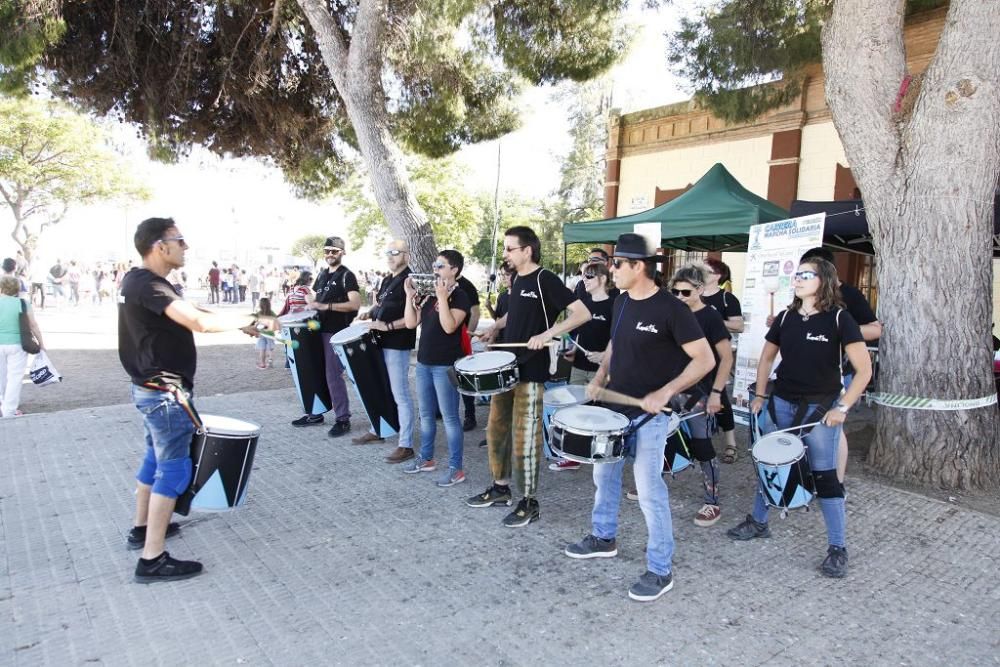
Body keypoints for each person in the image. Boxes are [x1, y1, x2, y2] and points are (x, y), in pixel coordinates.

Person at [118, 217, 272, 582]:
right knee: (174, 469)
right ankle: (152, 558)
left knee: (154, 459)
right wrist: (257, 317)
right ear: (160, 246)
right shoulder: (149, 285)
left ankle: (141, 530)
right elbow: (197, 323)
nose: (186, 247)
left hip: (152, 389)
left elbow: (196, 314)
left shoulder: (141, 282)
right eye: (180, 240)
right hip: (164, 394)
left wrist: (241, 323)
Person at [563, 233, 714, 602]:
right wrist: (599, 378)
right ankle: (603, 537)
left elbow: (705, 360)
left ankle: (660, 569)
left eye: (617, 264)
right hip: (615, 411)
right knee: (604, 475)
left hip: (652, 416)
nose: (610, 270)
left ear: (638, 267)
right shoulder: (623, 302)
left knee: (648, 490)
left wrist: (665, 392)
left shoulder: (672, 310)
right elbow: (615, 344)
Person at [726, 258, 871, 579]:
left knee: (825, 475)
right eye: (797, 274)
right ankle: (759, 521)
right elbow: (766, 358)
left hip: (820, 408)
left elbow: (864, 371)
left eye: (807, 274)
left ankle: (837, 547)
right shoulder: (786, 316)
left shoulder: (839, 319)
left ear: (825, 280)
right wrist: (761, 396)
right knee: (770, 463)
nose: (799, 279)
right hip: (780, 403)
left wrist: (842, 407)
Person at [469, 225, 591, 527]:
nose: (506, 253)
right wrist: (496, 327)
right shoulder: (519, 280)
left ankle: (529, 501)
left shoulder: (544, 278)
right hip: (507, 367)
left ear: (527, 250)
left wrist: (547, 333)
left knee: (526, 437)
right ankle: (500, 487)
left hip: (531, 371)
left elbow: (581, 314)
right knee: (496, 429)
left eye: (510, 248)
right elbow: (519, 313)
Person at [799, 247, 882, 483]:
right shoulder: (803, 295)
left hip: (838, 374)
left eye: (809, 273)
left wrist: (842, 328)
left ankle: (836, 483)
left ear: (826, 271)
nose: (802, 278)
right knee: (809, 429)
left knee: (834, 431)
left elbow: (876, 329)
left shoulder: (850, 294)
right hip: (806, 374)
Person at [668, 265, 734, 526]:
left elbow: (726, 358)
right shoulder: (672, 313)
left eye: (686, 292)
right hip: (671, 389)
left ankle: (712, 501)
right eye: (675, 292)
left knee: (702, 446)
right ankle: (658, 478)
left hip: (700, 394)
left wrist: (717, 393)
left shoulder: (711, 317)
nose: (680, 297)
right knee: (664, 438)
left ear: (699, 289)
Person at [402, 249, 471, 486]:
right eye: (434, 265)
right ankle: (426, 458)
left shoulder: (460, 296)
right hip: (424, 363)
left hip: (445, 365)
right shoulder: (429, 293)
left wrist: (442, 297)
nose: (435, 269)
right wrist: (409, 296)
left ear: (454, 270)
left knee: (451, 418)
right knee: (426, 414)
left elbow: (450, 327)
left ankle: (456, 468)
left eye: (440, 266)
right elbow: (411, 322)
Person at [353, 240, 417, 463]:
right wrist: (370, 312)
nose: (390, 256)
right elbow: (382, 303)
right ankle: (379, 428)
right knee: (380, 389)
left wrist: (386, 326)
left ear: (407, 255)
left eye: (395, 252)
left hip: (397, 343)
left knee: (400, 395)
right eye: (387, 252)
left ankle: (406, 444)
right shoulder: (389, 279)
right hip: (380, 342)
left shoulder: (411, 280)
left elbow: (413, 318)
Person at [549, 261, 614, 472]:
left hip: (602, 370)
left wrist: (605, 355)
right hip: (579, 365)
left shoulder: (615, 304)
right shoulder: (582, 302)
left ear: (602, 279)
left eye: (588, 276)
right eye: (583, 276)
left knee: (602, 413)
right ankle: (574, 456)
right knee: (574, 410)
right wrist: (572, 350)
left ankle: (602, 457)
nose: (583, 280)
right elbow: (576, 332)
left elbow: (619, 338)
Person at [300, 236, 360, 437]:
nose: (330, 255)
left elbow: (355, 304)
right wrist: (310, 302)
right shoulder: (323, 274)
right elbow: (317, 299)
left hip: (336, 332)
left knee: (333, 376)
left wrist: (327, 306)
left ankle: (343, 419)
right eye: (327, 251)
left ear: (342, 252)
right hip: (318, 330)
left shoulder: (347, 275)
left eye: (334, 251)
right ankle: (316, 413)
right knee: (314, 372)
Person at [0, 276, 44, 417]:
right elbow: (33, 325)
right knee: (15, 378)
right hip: (18, 345)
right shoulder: (23, 303)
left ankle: (2, 404)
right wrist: (41, 343)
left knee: (1, 377)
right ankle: (9, 411)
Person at [455, 272, 482, 432]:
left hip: (460, 337)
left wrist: (467, 335)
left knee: (464, 377)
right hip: (442, 339)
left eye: (440, 265)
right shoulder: (438, 282)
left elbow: (475, 313)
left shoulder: (467, 286)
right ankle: (437, 410)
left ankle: (469, 415)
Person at [255, 297, 277, 369]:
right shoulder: (272, 313)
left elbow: (256, 324)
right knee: (270, 348)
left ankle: (263, 364)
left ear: (260, 305)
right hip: (270, 333)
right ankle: (270, 362)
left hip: (262, 333)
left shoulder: (259, 313)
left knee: (262, 349)